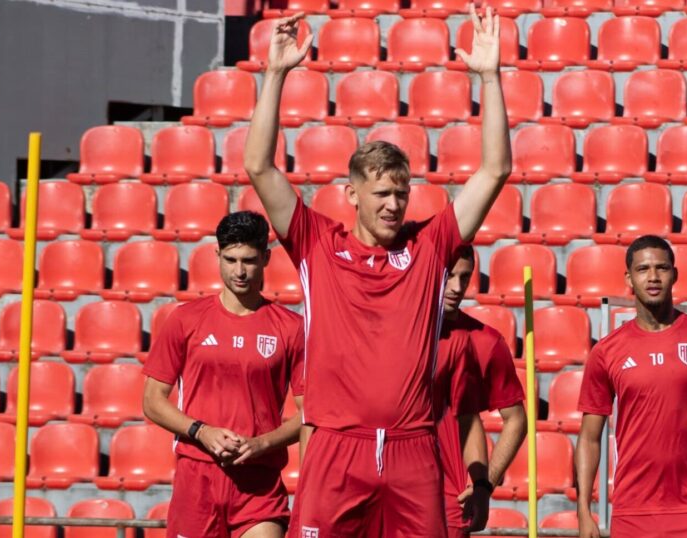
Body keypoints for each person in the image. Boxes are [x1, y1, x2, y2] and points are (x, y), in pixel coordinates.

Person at [243, 6, 511, 534]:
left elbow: (495, 170)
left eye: (401, 193)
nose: (393, 205)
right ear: (353, 195)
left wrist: (489, 77)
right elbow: (259, 167)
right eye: (382, 193)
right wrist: (274, 74)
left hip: (415, 449)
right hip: (336, 448)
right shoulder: (316, 242)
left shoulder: (430, 246)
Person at [142, 211, 305, 538]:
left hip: (259, 483)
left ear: (266, 258)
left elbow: (308, 413)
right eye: (230, 260)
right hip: (197, 477)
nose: (240, 271)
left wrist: (262, 444)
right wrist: (201, 432)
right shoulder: (185, 320)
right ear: (217, 256)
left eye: (249, 260)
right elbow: (151, 401)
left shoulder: (291, 328)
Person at [574, 235, 687, 538]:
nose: (653, 277)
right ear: (629, 278)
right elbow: (590, 437)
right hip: (633, 513)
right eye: (643, 269)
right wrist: (583, 510)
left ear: (675, 274)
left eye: (662, 268)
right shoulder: (606, 351)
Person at [437, 246, 527, 538]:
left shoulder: (486, 341)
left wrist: (484, 485)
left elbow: (516, 420)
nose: (456, 287)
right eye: (448, 276)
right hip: (390, 493)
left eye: (464, 278)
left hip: (449, 503)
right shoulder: (394, 329)